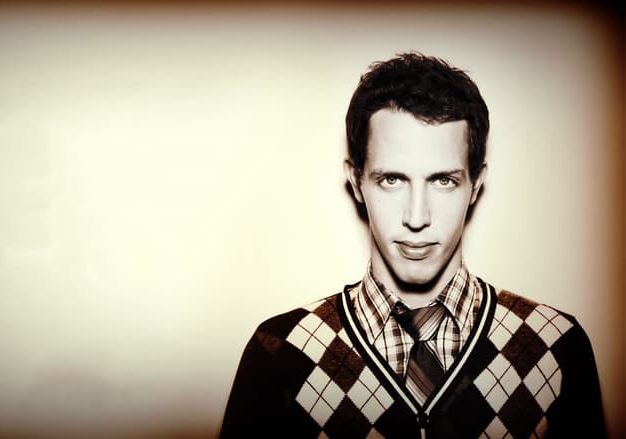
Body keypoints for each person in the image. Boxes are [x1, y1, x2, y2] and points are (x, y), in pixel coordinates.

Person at [220, 52, 605, 438]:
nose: (417, 217)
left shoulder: (554, 346)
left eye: (443, 181)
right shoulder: (283, 353)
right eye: (392, 180)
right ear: (356, 181)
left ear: (475, 185)